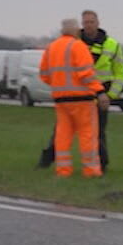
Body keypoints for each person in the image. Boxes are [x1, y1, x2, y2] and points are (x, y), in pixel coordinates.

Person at [40, 18, 104, 178]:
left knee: (63, 134)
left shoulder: (51, 48)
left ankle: (63, 170)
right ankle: (91, 171)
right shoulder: (78, 46)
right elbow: (86, 75)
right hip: (82, 99)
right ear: (75, 30)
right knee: (87, 134)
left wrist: (59, 85)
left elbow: (44, 75)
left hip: (61, 99)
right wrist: (100, 91)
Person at [81, 9, 123, 170]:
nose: (88, 25)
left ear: (98, 23)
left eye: (91, 22)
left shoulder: (112, 45)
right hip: (78, 93)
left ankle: (101, 164)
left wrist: (110, 95)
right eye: (86, 22)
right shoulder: (75, 43)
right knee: (64, 130)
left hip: (102, 94)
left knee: (99, 131)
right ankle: (49, 159)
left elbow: (119, 73)